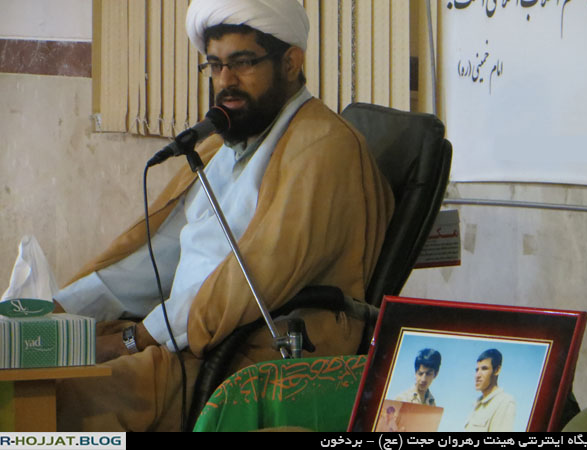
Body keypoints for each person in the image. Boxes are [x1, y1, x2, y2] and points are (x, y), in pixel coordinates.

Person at [53, 0, 394, 432]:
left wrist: (133, 340)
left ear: (291, 62)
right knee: (36, 366)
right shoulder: (224, 144)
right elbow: (162, 254)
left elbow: (251, 281)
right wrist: (66, 308)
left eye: (243, 63)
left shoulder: (323, 149)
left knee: (56, 397)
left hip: (237, 360)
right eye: (215, 66)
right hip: (177, 339)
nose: (226, 82)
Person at [464, 349, 516, 432]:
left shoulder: (504, 402)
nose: (477, 375)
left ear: (497, 370)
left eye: (484, 369)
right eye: (477, 370)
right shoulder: (478, 404)